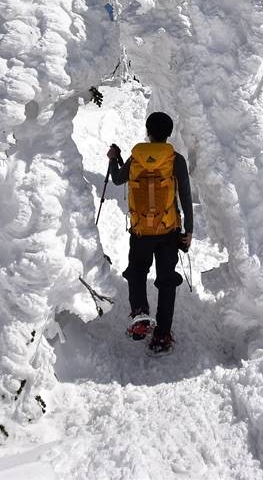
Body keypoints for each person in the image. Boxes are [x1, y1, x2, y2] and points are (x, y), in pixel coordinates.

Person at [106, 111, 193, 356]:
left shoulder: (135, 158)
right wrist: (189, 230)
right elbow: (184, 196)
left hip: (141, 231)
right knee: (166, 281)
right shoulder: (175, 160)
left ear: (147, 131)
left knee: (136, 272)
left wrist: (115, 159)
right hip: (168, 231)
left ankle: (140, 315)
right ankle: (162, 334)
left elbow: (117, 180)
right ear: (168, 133)